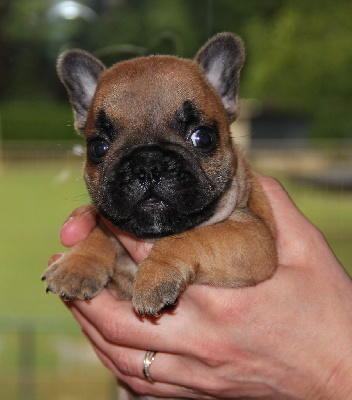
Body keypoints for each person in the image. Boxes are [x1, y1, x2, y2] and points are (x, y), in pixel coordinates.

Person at [51, 174, 352, 399]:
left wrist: (332, 374)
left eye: (200, 138)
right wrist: (93, 253)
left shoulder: (237, 202)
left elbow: (252, 248)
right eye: (102, 146)